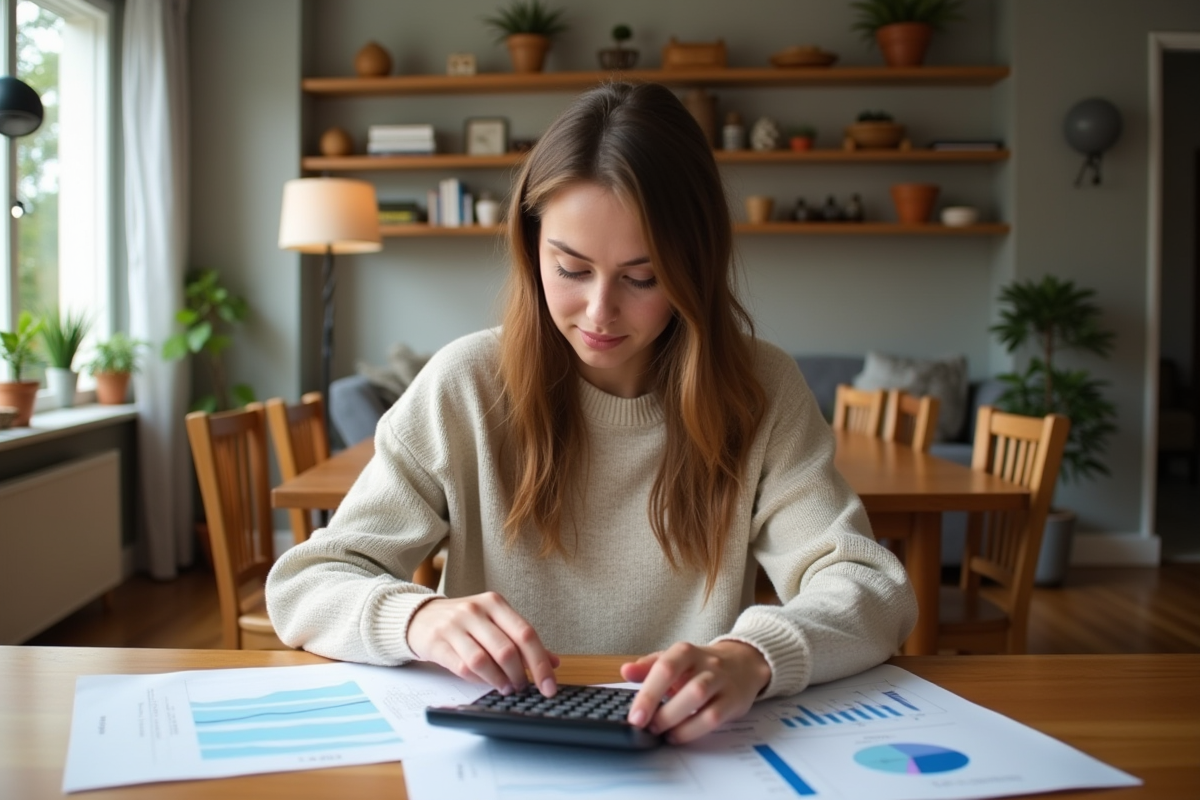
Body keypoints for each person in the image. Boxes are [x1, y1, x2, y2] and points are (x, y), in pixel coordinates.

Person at [266, 81, 916, 745]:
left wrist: (753, 656)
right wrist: (417, 620)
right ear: (532, 243)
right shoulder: (466, 384)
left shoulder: (760, 389)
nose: (600, 312)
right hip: (499, 753)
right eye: (571, 268)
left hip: (690, 755)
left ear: (696, 267)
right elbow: (307, 583)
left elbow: (871, 587)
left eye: (643, 278)